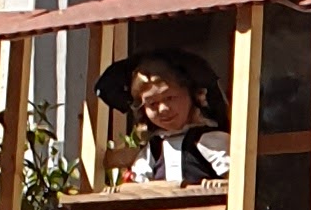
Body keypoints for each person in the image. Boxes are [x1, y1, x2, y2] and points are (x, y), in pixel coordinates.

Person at [96, 48, 230, 188]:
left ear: (193, 96)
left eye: (170, 98)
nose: (163, 109)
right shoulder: (154, 149)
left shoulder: (208, 139)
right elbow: (137, 185)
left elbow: (237, 178)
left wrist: (221, 185)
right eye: (152, 103)